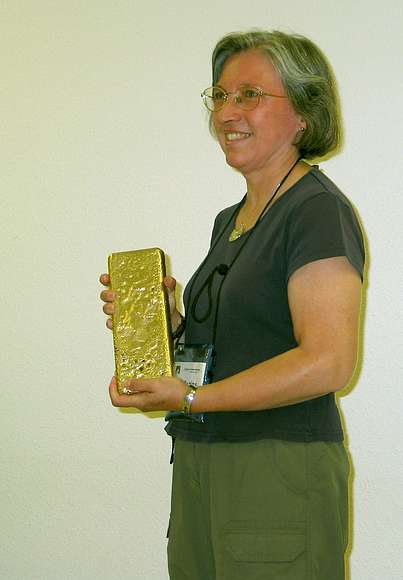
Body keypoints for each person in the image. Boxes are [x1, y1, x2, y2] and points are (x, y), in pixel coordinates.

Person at [100, 29, 364, 580]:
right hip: (202, 459)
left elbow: (329, 362)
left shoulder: (315, 211)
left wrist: (194, 396)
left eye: (249, 95)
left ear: (304, 115)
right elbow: (243, 346)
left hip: (275, 467)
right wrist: (162, 326)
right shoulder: (232, 220)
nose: (226, 112)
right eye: (220, 96)